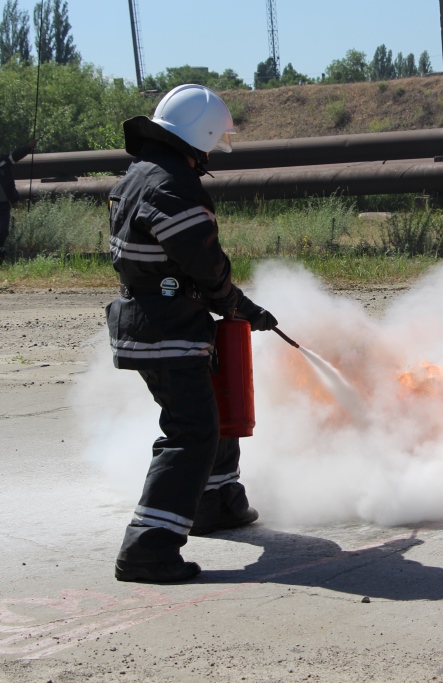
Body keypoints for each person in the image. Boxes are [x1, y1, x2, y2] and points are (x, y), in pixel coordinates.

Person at [106, 84, 278, 584]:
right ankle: (148, 547)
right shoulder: (171, 184)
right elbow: (201, 261)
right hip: (166, 329)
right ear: (199, 136)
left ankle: (215, 501)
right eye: (212, 141)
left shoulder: (143, 174)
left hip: (161, 321)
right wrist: (233, 301)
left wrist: (229, 302)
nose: (210, 153)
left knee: (214, 409)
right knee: (192, 431)